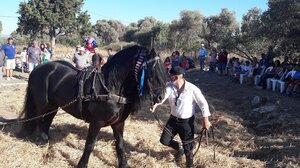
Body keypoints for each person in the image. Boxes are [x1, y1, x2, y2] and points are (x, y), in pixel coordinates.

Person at [151, 66, 212, 168]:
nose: (170, 78)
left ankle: (190, 166)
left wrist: (205, 121)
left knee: (188, 149)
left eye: (171, 76)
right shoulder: (169, 86)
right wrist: (155, 105)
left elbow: (203, 104)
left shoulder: (192, 89)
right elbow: (163, 97)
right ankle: (179, 147)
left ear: (176, 77)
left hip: (187, 123)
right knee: (164, 141)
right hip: (173, 120)